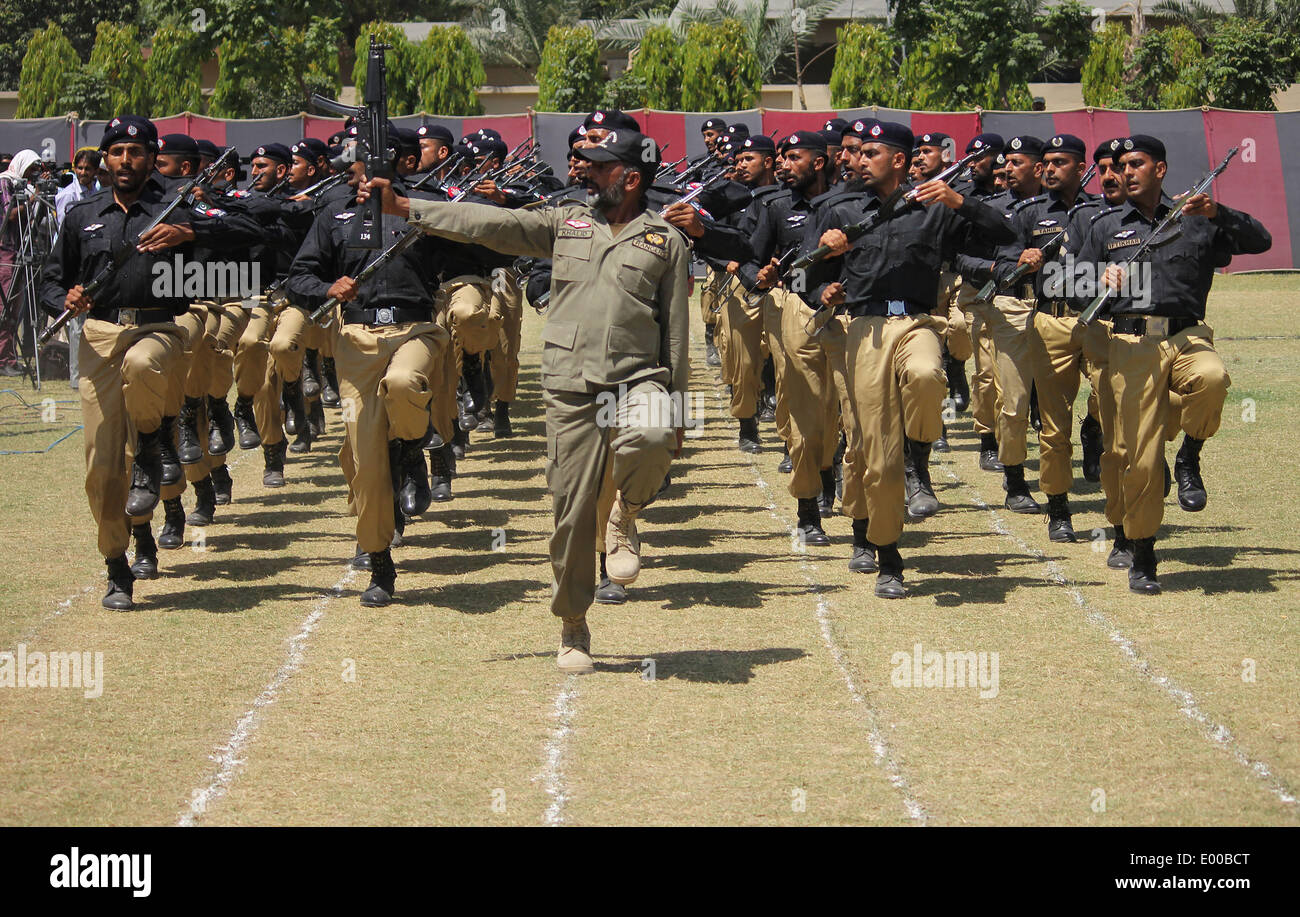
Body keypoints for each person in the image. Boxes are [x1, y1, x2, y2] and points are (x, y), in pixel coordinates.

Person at [362, 127, 687, 673]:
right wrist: (407, 206)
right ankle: (574, 625)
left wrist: (679, 411)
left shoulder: (666, 243)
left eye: (599, 165)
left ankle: (626, 516)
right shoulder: (566, 222)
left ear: (630, 179)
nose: (585, 171)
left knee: (652, 432)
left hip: (639, 379)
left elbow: (676, 333)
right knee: (570, 513)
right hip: (570, 388)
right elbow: (494, 225)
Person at [804, 121, 1015, 597]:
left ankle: (919, 455)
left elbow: (1006, 232)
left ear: (898, 159)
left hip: (919, 322)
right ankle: (886, 554)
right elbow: (804, 273)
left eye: (870, 153)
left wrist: (959, 201)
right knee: (871, 452)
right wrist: (825, 284)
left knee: (925, 374)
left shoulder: (935, 207)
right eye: (857, 154)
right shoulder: (840, 208)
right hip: (863, 328)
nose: (857, 160)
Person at [1073, 134, 1270, 594]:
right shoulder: (1105, 226)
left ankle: (1189, 457)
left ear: (1159, 169)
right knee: (1134, 459)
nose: (1125, 171)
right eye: (1120, 165)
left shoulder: (1197, 218)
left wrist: (1218, 212)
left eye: (1137, 163)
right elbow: (1073, 285)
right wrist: (1097, 278)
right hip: (1131, 343)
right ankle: (1142, 550)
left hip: (1186, 334)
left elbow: (1260, 241)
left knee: (1213, 377)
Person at [40, 116, 196, 609]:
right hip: (101, 335)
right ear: (104, 159)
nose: (125, 160)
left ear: (152, 157)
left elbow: (229, 255)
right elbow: (51, 278)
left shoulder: (176, 207)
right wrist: (63, 296)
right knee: (102, 465)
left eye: (135, 151)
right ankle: (118, 560)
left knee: (144, 366)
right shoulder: (82, 213)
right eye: (116, 152)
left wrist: (187, 237)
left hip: (159, 328)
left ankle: (153, 447)